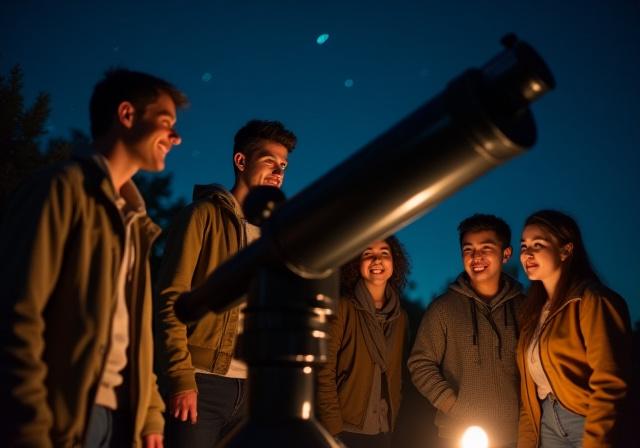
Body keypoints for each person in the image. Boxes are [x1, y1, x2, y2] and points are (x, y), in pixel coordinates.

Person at [0, 68, 187, 447]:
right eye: (166, 122)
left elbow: (135, 331)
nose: (176, 137)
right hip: (61, 417)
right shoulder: (60, 190)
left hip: (120, 419)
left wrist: (150, 414)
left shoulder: (136, 221)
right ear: (127, 115)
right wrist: (30, 425)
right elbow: (18, 316)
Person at [155, 119, 297, 447]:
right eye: (269, 161)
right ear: (241, 161)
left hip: (256, 392)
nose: (279, 171)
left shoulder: (278, 237)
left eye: (284, 165)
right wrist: (180, 378)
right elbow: (170, 298)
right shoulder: (201, 216)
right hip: (202, 383)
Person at [517, 210, 632, 448]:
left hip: (586, 421)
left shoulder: (592, 301)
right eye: (523, 245)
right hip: (547, 422)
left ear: (566, 250)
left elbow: (610, 381)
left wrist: (598, 439)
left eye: (537, 244)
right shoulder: (532, 314)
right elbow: (528, 391)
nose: (527, 253)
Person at [408, 214, 524, 448]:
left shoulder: (525, 308)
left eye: (486, 248)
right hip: (458, 434)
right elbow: (420, 363)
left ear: (506, 254)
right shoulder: (443, 308)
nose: (476, 256)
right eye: (468, 249)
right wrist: (453, 405)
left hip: (516, 434)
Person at [316, 236, 410, 448]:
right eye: (368, 254)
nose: (377, 260)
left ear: (394, 263)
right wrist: (333, 427)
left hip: (383, 428)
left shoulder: (400, 317)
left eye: (384, 254)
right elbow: (323, 369)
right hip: (345, 428)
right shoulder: (342, 308)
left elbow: (399, 374)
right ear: (356, 263)